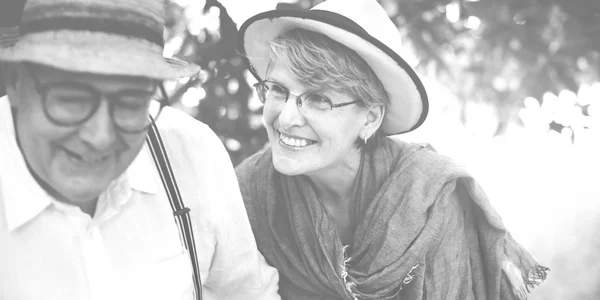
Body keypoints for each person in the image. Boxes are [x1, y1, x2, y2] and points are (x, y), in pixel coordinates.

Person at [235, 0, 548, 299]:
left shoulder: (428, 199)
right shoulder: (250, 190)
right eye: (278, 89)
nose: (286, 118)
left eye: (318, 98)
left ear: (370, 119)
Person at [0, 0, 279, 299]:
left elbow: (249, 293)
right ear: (16, 83)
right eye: (71, 99)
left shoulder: (190, 151)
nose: (101, 137)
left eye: (130, 102)